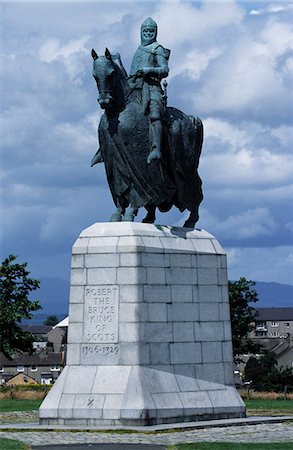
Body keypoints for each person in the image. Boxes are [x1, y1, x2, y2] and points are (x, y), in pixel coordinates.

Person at [129, 17, 170, 164]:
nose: (148, 33)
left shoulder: (157, 49)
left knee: (155, 115)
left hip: (152, 88)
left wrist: (148, 70)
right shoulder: (138, 50)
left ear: (155, 32)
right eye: (145, 30)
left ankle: (156, 148)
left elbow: (165, 70)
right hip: (134, 88)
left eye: (151, 31)